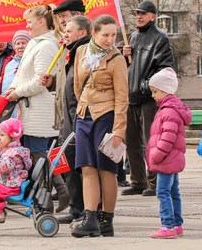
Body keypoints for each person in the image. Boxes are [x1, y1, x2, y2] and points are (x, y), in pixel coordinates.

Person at [71, 15, 128, 238]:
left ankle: (107, 220)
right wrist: (83, 108)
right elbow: (78, 86)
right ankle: (90, 217)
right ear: (93, 33)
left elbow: (123, 97)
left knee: (107, 170)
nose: (109, 39)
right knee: (86, 168)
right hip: (84, 116)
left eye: (113, 35)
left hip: (107, 116)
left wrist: (119, 130)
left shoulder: (117, 59)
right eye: (105, 34)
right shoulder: (81, 52)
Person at [40, 16, 92, 224]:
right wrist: (52, 83)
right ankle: (75, 208)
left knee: (80, 166)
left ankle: (86, 209)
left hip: (79, 116)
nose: (66, 33)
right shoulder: (68, 52)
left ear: (83, 33)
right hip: (65, 116)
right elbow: (65, 85)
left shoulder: (87, 53)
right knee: (66, 164)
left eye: (70, 30)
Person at [121, 0, 174, 197]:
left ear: (153, 16)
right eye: (137, 13)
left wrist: (146, 87)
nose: (139, 17)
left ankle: (155, 182)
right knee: (132, 142)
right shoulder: (133, 37)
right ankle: (138, 181)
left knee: (153, 140)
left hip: (149, 98)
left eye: (143, 14)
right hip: (131, 95)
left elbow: (165, 68)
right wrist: (124, 53)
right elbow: (129, 67)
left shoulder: (160, 38)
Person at [5, 5, 61, 157]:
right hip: (29, 111)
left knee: (38, 157)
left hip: (40, 113)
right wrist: (13, 87)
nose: (27, 25)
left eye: (30, 22)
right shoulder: (34, 43)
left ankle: (51, 182)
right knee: (29, 155)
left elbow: (40, 80)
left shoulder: (47, 46)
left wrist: (18, 93)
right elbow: (22, 71)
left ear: (42, 21)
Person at [146, 68, 191, 239]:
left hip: (166, 159)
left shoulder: (168, 111)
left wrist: (156, 154)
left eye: (155, 91)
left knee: (163, 192)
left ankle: (168, 225)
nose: (153, 95)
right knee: (173, 192)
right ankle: (177, 224)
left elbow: (168, 137)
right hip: (172, 159)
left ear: (164, 91)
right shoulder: (170, 108)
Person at [0, 118, 33, 223]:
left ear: (12, 137)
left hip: (11, 185)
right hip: (8, 183)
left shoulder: (13, 153)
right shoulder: (10, 150)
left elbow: (5, 167)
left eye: (2, 135)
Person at [1, 30, 32, 97]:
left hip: (24, 102)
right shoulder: (9, 65)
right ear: (14, 47)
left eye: (23, 43)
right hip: (9, 102)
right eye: (17, 44)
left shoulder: (32, 61)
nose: (20, 46)